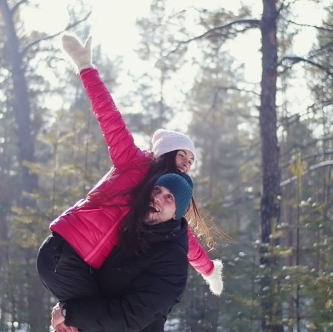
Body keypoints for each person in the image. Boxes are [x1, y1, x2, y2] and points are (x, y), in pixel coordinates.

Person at [36, 33, 223, 327]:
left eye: (191, 161)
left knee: (92, 321)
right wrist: (86, 67)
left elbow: (184, 238)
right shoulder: (133, 162)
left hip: (86, 264)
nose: (187, 163)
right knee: (95, 322)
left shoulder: (165, 204)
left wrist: (210, 270)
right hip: (66, 254)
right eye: (182, 156)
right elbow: (109, 117)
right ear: (166, 152)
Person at [51, 172, 195, 332]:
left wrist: (71, 313)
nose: (158, 197)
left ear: (177, 213)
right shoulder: (133, 233)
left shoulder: (173, 259)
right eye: (157, 190)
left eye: (170, 198)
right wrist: (71, 308)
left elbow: (131, 315)